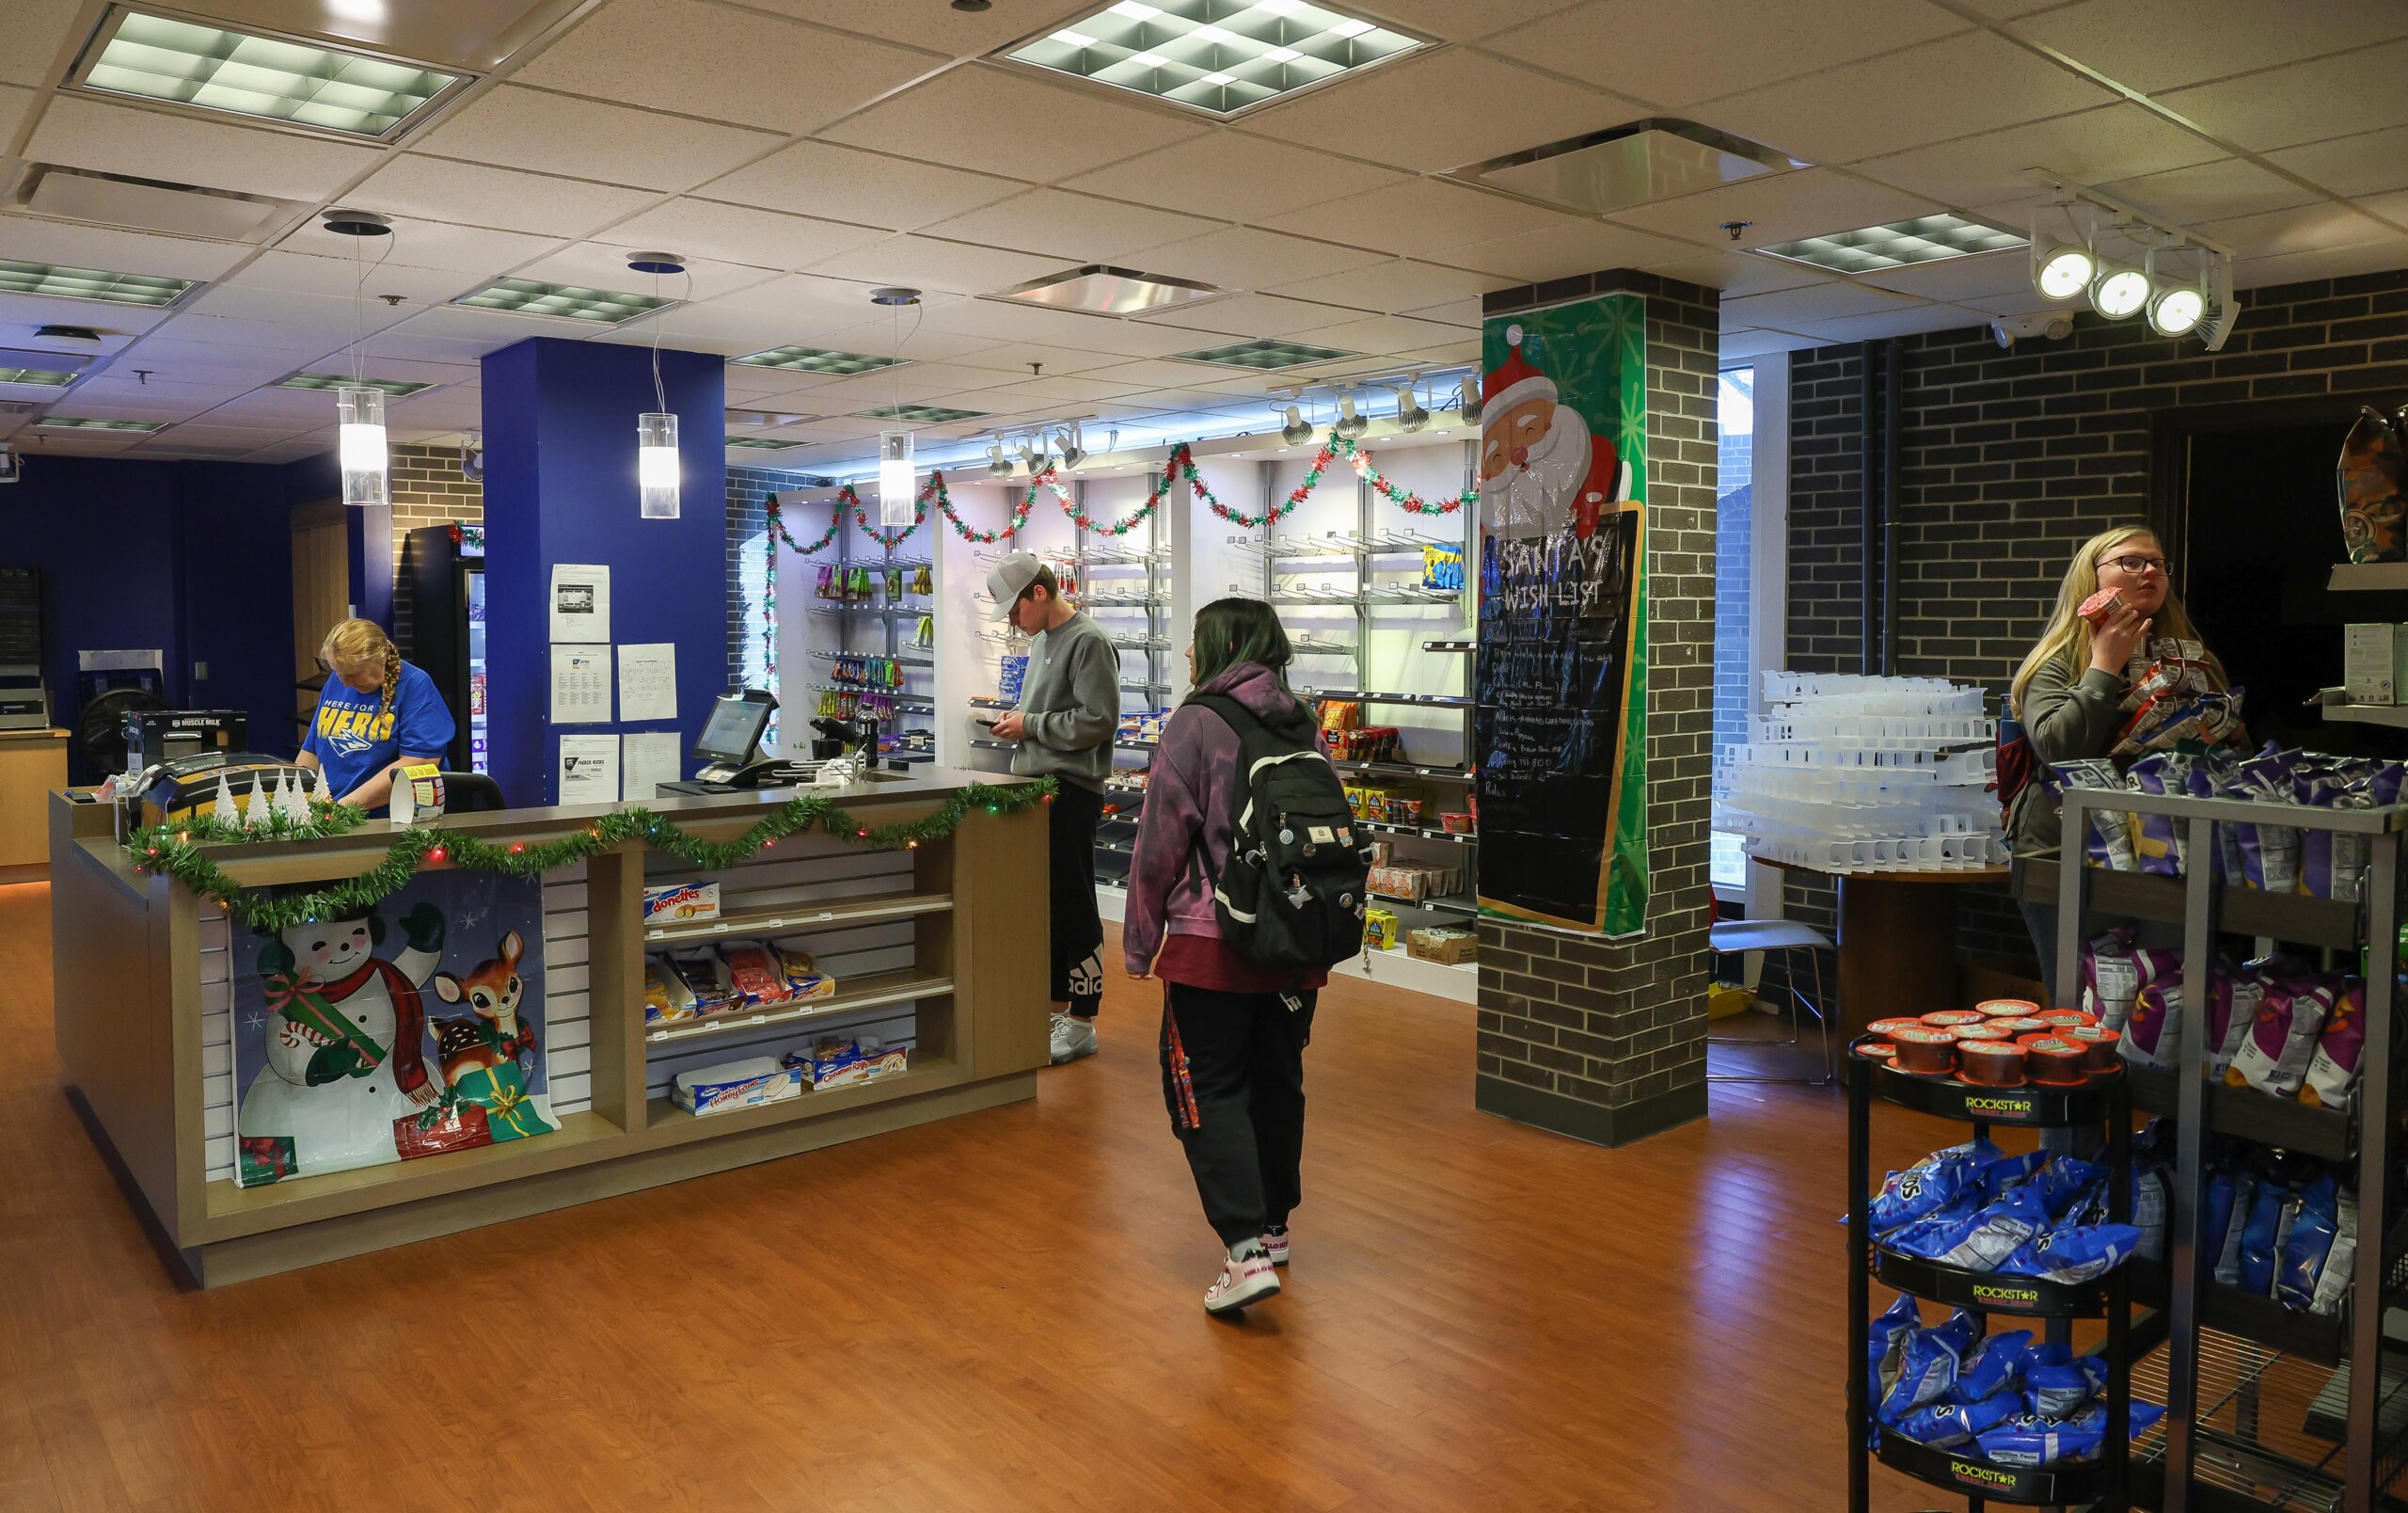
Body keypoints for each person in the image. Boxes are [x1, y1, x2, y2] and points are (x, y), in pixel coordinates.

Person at [1123, 597, 1329, 1317]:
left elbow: (1158, 844)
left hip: (1212, 945)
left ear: (1221, 645)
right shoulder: (1304, 722)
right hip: (1294, 945)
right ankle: (1272, 1228)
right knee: (1277, 1080)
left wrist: (1139, 942)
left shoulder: (1196, 723)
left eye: (1195, 639)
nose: (1186, 654)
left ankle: (1243, 1254)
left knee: (1204, 1088)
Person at [2007, 526, 2226, 995]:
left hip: (2169, 853)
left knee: (2167, 996)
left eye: (2158, 564)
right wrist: (2104, 665)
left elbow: (2229, 750)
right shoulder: (2057, 663)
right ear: (2091, 577)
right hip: (2066, 852)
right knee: (2083, 997)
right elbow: (2058, 750)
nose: (2150, 571)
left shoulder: (2191, 659)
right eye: (2131, 561)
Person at [983, 552, 1118, 1064]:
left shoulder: (1088, 641)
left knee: (1075, 903)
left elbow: (1099, 719)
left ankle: (1083, 1021)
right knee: (1049, 906)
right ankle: (1057, 1009)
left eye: (1015, 610)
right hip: (1037, 786)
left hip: (1070, 790)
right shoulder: (1043, 639)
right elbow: (1050, 714)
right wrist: (1021, 720)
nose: (1014, 623)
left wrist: (1031, 725)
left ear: (1039, 593)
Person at [295, 618, 457, 813]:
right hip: (333, 812)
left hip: (389, 818)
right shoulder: (337, 680)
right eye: (338, 672)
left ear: (381, 660)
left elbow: (419, 763)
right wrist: (295, 799)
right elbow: (312, 750)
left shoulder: (415, 685)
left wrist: (341, 809)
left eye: (353, 674)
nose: (345, 683)